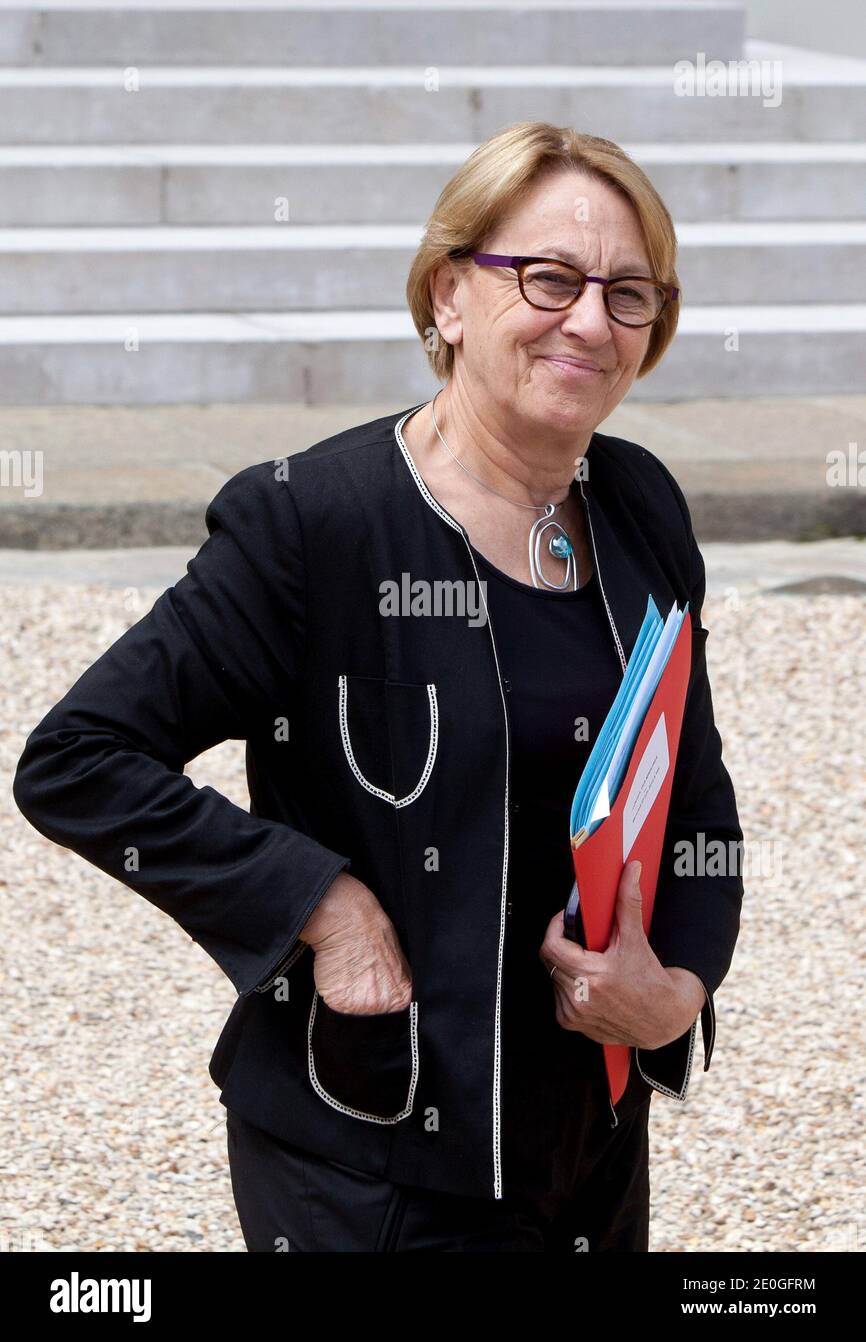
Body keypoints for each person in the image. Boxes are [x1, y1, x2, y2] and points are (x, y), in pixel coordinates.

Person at [13, 121, 743, 1252]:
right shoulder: (314, 521)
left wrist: (676, 989)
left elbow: (692, 800)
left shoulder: (638, 506)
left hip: (587, 1143)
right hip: (374, 1154)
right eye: (547, 279)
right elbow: (78, 761)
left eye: (628, 293)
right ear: (448, 294)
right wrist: (326, 907)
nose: (590, 321)